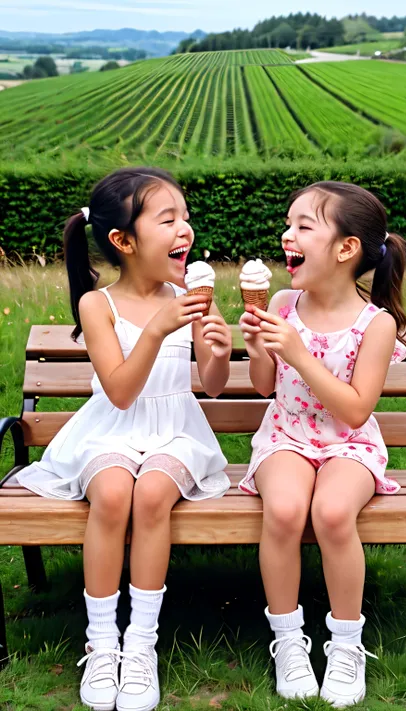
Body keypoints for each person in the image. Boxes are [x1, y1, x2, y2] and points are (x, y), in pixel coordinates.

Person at [17, 167, 232, 711]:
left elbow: (210, 384)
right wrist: (159, 328)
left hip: (175, 430)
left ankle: (140, 643)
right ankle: (102, 640)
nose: (184, 228)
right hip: (115, 426)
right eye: (167, 219)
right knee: (113, 493)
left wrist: (220, 351)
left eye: (185, 216)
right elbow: (118, 391)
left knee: (154, 493)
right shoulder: (98, 306)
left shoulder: (193, 294)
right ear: (124, 241)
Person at [239, 181, 406, 708]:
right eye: (288, 225)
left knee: (333, 513)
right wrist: (257, 347)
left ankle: (346, 645)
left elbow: (356, 410)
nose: (288, 236)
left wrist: (297, 352)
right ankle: (288, 640)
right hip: (286, 434)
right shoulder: (286, 302)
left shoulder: (375, 324)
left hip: (349, 443)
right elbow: (266, 386)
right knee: (286, 509)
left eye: (303, 226)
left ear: (346, 248)